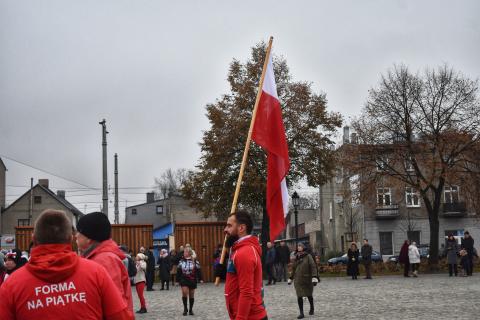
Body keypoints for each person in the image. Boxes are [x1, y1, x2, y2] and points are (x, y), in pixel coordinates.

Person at [0, 209, 133, 319]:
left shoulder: (11, 285)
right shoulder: (96, 272)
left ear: (33, 239)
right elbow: (120, 315)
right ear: (69, 238)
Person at [76, 212, 133, 311]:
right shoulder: (98, 256)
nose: (76, 236)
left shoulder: (104, 260)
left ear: (89, 237)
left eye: (79, 232)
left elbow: (113, 303)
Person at [217, 210, 268, 320]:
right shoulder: (239, 250)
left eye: (229, 226)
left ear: (241, 228)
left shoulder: (244, 252)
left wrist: (240, 318)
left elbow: (246, 292)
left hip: (250, 317)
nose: (225, 230)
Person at [288, 242, 318, 319]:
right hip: (298, 280)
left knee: (309, 295)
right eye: (298, 246)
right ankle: (301, 313)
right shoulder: (296, 256)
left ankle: (312, 307)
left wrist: (314, 277)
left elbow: (313, 266)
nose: (298, 247)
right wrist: (291, 278)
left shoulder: (308, 256)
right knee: (299, 296)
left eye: (300, 246)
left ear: (304, 247)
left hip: (307, 279)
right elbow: (294, 268)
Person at [177, 247, 203, 316]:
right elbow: (179, 270)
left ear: (189, 253)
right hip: (184, 279)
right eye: (184, 252)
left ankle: (191, 309)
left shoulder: (195, 261)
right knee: (185, 292)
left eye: (186, 252)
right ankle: (185, 309)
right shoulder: (181, 261)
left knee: (191, 295)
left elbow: (198, 270)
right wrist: (177, 280)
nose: (184, 253)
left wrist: (200, 278)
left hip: (192, 279)